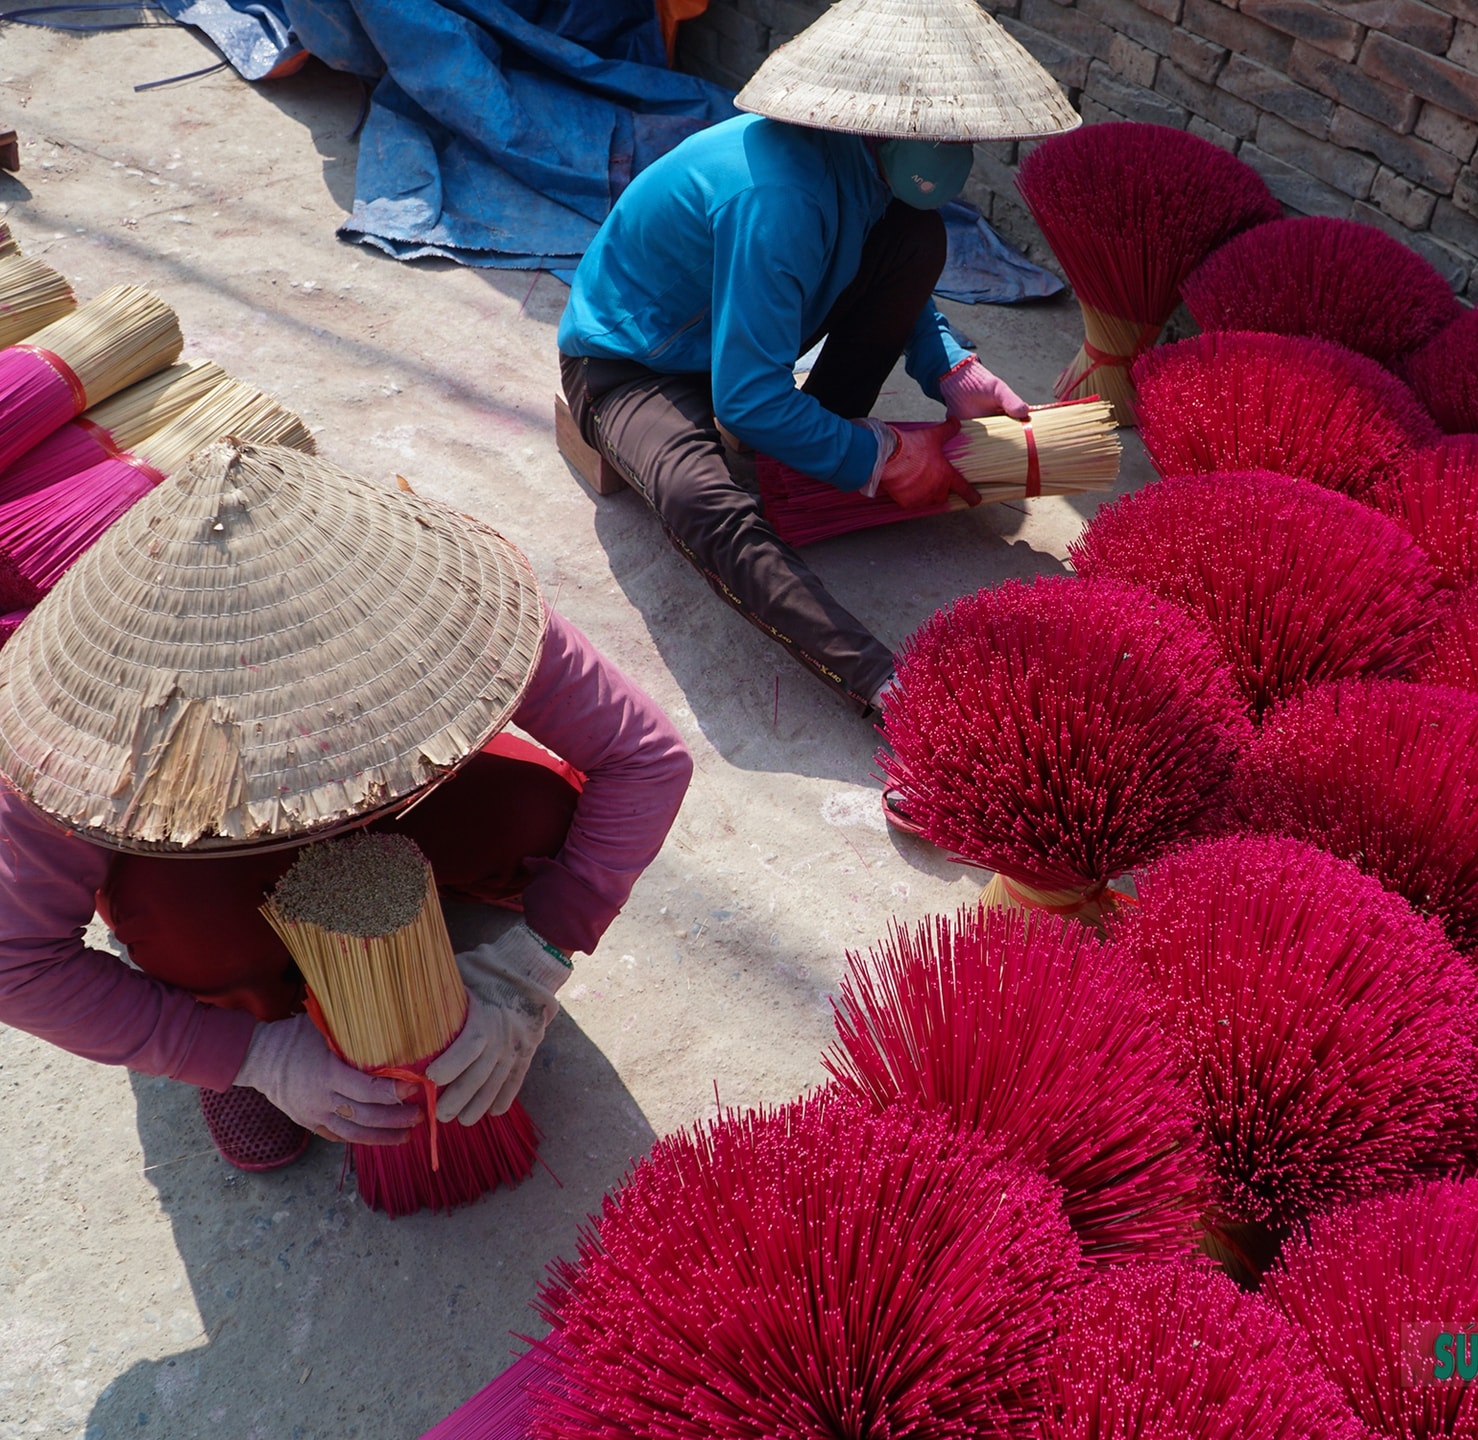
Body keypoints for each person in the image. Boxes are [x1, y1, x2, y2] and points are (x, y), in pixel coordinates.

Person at [0, 441, 692, 1173]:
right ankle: (245, 1001)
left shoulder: (444, 589)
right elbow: (17, 963)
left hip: (400, 792)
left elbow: (646, 759)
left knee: (539, 815)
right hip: (195, 851)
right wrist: (249, 1054)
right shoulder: (76, 723)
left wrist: (536, 960)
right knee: (190, 929)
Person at [558, 0, 1079, 718]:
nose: (950, 147)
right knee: (702, 502)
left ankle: (810, 450)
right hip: (634, 365)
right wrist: (883, 456)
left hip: (735, 342)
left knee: (916, 239)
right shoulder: (776, 198)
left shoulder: (861, 171)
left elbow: (889, 277)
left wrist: (950, 366)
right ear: (873, 118)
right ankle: (886, 689)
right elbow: (744, 399)